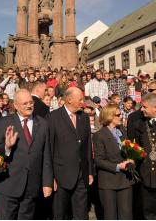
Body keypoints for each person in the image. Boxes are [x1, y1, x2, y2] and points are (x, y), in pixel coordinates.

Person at [0, 89, 53, 220]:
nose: (29, 106)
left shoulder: (43, 124)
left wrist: (47, 183)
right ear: (16, 105)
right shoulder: (4, 123)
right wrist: (7, 147)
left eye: (31, 102)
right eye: (24, 103)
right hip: (8, 184)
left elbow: (46, 156)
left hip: (32, 186)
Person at [48, 87, 94, 219]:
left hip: (81, 175)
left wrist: (90, 171)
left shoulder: (84, 117)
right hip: (61, 176)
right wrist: (50, 177)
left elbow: (87, 147)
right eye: (80, 99)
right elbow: (49, 149)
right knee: (60, 214)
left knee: (81, 215)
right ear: (69, 100)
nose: (83, 102)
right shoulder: (53, 118)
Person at [93, 104, 134, 219]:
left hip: (125, 180)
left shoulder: (122, 131)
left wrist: (131, 159)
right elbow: (98, 160)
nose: (121, 117)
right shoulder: (99, 135)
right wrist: (117, 166)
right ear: (110, 117)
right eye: (118, 115)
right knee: (110, 215)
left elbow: (129, 150)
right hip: (108, 182)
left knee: (126, 214)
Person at [134, 93, 156, 220]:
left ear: (155, 107)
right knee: (150, 214)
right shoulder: (140, 124)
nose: (141, 109)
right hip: (147, 179)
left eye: (144, 107)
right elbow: (138, 148)